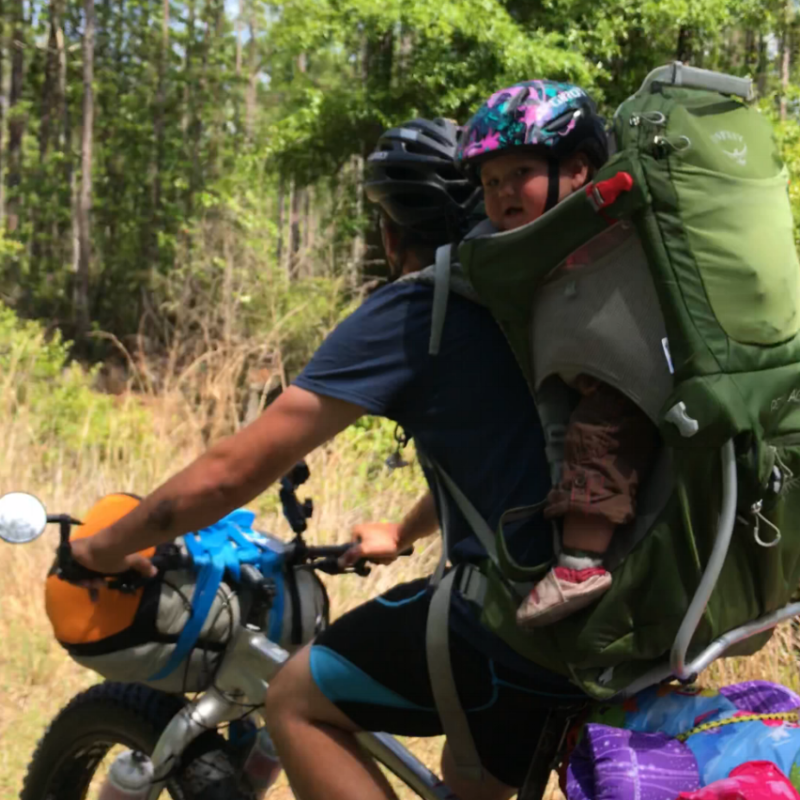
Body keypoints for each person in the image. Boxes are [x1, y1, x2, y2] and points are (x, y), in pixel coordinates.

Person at [68, 115, 586, 800]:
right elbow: (515, 453)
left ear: (392, 229)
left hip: (508, 627)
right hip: (597, 615)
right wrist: (403, 531)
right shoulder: (533, 298)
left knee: (293, 697)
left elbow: (234, 469)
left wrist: (104, 549)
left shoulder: (416, 312)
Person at [455, 79, 659, 627]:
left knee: (600, 433)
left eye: (520, 173)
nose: (501, 192)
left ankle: (580, 562)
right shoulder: (537, 244)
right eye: (491, 181)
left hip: (626, 379)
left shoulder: (607, 222)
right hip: (593, 369)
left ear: (576, 170)